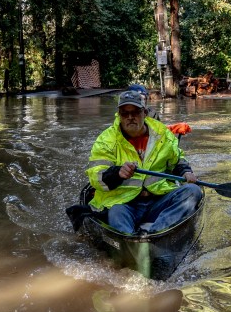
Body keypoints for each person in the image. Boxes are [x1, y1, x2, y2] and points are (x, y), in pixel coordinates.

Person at [85, 90, 202, 234]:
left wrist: (186, 172)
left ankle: (155, 233)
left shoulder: (162, 134)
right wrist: (117, 173)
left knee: (193, 192)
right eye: (125, 113)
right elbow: (95, 177)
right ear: (119, 115)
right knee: (115, 213)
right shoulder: (105, 140)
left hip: (158, 200)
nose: (130, 117)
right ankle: (132, 243)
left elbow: (177, 160)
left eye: (135, 112)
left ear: (144, 113)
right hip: (124, 203)